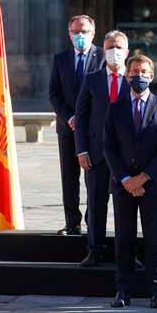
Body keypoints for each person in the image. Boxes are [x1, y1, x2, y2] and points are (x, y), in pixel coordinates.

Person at [102, 54, 157, 309]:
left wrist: (142, 178)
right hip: (122, 186)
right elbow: (109, 147)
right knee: (124, 239)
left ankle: (156, 291)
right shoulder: (116, 107)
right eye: (134, 72)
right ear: (127, 75)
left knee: (153, 239)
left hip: (152, 185)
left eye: (144, 72)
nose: (139, 76)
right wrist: (126, 179)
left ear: (152, 76)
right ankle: (123, 291)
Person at [74, 30, 130, 267]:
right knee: (96, 203)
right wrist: (81, 150)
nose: (114, 52)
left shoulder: (135, 77)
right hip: (96, 154)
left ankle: (126, 253)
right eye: (109, 47)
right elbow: (81, 116)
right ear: (103, 50)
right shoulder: (92, 79)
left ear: (126, 51)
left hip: (127, 156)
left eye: (118, 47)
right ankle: (95, 250)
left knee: (126, 206)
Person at [49, 14, 104, 236]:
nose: (80, 35)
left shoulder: (102, 56)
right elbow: (54, 94)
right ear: (69, 34)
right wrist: (69, 118)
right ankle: (72, 223)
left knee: (95, 178)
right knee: (69, 178)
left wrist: (88, 120)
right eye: (76, 32)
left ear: (93, 33)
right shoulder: (61, 59)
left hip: (94, 129)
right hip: (68, 128)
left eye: (84, 31)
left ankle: (93, 222)